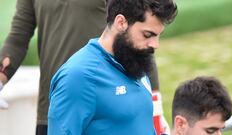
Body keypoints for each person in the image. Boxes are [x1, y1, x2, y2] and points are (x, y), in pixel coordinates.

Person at [0, 0, 166, 134]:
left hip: (110, 100)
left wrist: (156, 109)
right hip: (54, 104)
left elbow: (140, 38)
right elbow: (18, 38)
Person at [48, 0, 177, 134]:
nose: (155, 44)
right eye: (148, 35)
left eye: (158, 36)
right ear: (121, 23)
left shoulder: (134, 60)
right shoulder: (78, 77)